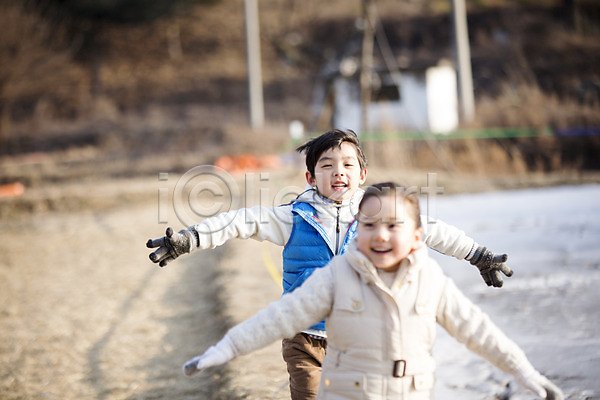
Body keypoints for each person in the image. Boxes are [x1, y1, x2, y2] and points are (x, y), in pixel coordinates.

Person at [147, 129, 513, 399]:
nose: (339, 171)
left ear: (362, 175)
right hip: (305, 339)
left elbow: (430, 230)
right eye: (327, 165)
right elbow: (238, 221)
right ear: (310, 177)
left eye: (348, 165)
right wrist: (188, 239)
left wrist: (477, 255)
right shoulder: (292, 217)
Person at [182, 182, 563, 400]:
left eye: (392, 226)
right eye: (368, 226)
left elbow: (477, 330)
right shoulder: (336, 276)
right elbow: (276, 319)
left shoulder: (429, 280)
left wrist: (521, 370)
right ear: (357, 231)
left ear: (417, 237)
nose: (380, 235)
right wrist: (225, 350)